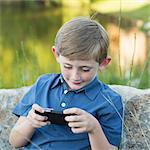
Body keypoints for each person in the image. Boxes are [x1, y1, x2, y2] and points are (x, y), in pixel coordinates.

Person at [9, 16, 124, 150]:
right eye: (68, 66)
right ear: (56, 54)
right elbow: (14, 142)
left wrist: (94, 128)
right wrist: (30, 122)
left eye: (85, 69)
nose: (75, 76)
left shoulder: (109, 100)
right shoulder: (43, 85)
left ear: (103, 63)